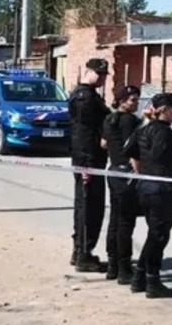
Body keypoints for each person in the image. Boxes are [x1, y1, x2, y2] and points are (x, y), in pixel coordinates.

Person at [130, 92, 172, 298]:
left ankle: (140, 276)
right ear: (164, 111)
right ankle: (152, 281)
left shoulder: (144, 128)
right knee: (159, 236)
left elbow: (131, 151)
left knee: (155, 234)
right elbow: (159, 155)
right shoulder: (164, 132)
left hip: (146, 186)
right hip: (160, 188)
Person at [68, 58, 111, 273]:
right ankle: (83, 254)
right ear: (88, 72)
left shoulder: (89, 95)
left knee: (87, 206)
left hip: (91, 158)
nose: (102, 78)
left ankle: (80, 251)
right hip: (88, 159)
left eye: (104, 74)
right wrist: (86, 165)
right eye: (99, 73)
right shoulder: (85, 98)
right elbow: (84, 134)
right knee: (89, 208)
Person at [101, 85, 142, 284]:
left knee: (115, 220)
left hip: (114, 171)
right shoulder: (129, 121)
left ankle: (113, 265)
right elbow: (132, 150)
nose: (136, 103)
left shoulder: (109, 119)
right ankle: (124, 268)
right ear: (122, 101)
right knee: (126, 222)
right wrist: (139, 173)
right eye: (133, 100)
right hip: (126, 174)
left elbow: (103, 144)